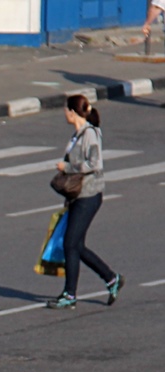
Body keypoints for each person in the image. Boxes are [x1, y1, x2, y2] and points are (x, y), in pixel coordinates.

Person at [46, 94, 124, 310]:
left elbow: (95, 163)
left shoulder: (89, 134)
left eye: (65, 110)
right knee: (76, 245)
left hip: (89, 196)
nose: (64, 113)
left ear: (73, 112)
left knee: (70, 243)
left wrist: (67, 168)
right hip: (78, 196)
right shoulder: (78, 134)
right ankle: (111, 278)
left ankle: (70, 294)